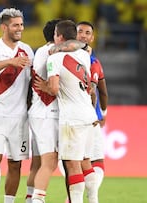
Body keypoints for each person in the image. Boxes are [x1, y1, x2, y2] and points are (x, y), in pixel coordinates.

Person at [34, 20, 98, 203]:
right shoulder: (84, 54)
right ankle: (93, 200)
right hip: (89, 115)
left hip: (72, 118)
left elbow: (54, 89)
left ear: (59, 36)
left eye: (55, 34)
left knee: (73, 164)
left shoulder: (54, 58)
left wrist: (45, 87)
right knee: (86, 162)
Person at [0, 8, 34, 203]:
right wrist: (11, 61)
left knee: (15, 163)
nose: (20, 28)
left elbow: (31, 80)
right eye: (15, 25)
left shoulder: (27, 50)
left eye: (21, 24)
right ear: (4, 27)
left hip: (20, 116)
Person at [25, 19, 61, 203]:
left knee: (37, 164)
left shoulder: (41, 51)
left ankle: (30, 198)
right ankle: (38, 201)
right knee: (50, 162)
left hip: (39, 112)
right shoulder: (51, 52)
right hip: (47, 113)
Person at [77, 20, 108, 203]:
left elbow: (99, 92)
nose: (83, 35)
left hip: (88, 119)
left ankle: (78, 196)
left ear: (92, 37)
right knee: (89, 161)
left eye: (87, 33)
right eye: (80, 31)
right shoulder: (92, 61)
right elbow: (99, 91)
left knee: (87, 160)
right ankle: (88, 197)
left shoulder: (93, 61)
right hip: (83, 119)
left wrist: (102, 113)